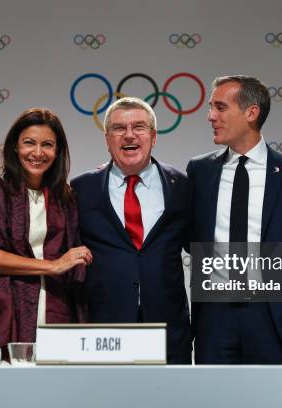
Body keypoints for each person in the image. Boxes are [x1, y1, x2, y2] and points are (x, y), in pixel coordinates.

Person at [187, 75, 282, 364]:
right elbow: (188, 237)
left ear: (251, 112)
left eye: (220, 107)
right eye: (210, 107)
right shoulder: (200, 171)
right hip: (214, 320)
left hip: (274, 319)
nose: (210, 116)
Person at [0, 108, 91, 364]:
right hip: (1, 306)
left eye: (47, 145)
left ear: (58, 151)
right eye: (29, 142)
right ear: (15, 147)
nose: (38, 153)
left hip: (54, 306)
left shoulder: (65, 196)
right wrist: (53, 265)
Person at [71, 97, 192, 364]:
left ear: (153, 136)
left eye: (138, 127)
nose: (129, 135)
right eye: (118, 128)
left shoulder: (182, 185)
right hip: (103, 333)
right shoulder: (81, 189)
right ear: (107, 138)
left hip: (168, 331)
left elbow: (203, 245)